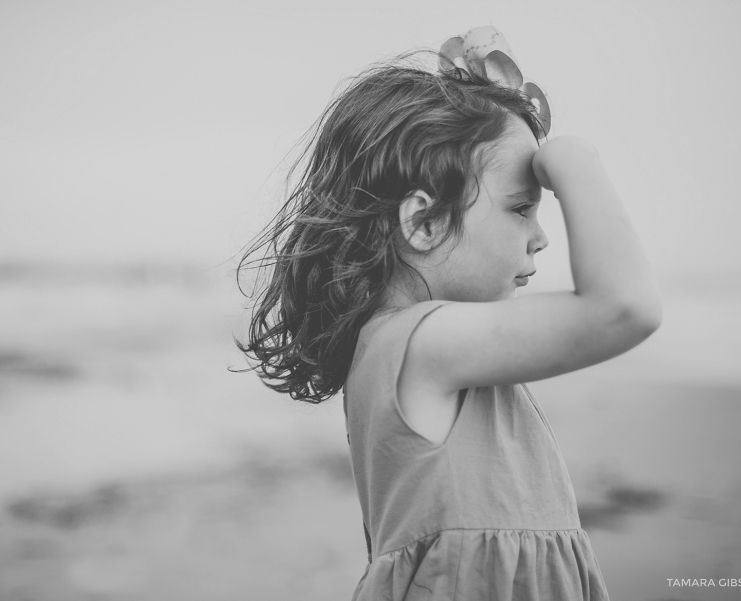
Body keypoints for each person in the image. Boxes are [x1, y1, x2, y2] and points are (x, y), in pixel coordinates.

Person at [236, 26, 662, 601]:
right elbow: (624, 307)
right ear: (424, 223)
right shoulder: (420, 345)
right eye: (520, 209)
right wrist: (574, 160)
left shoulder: (422, 346)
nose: (539, 238)